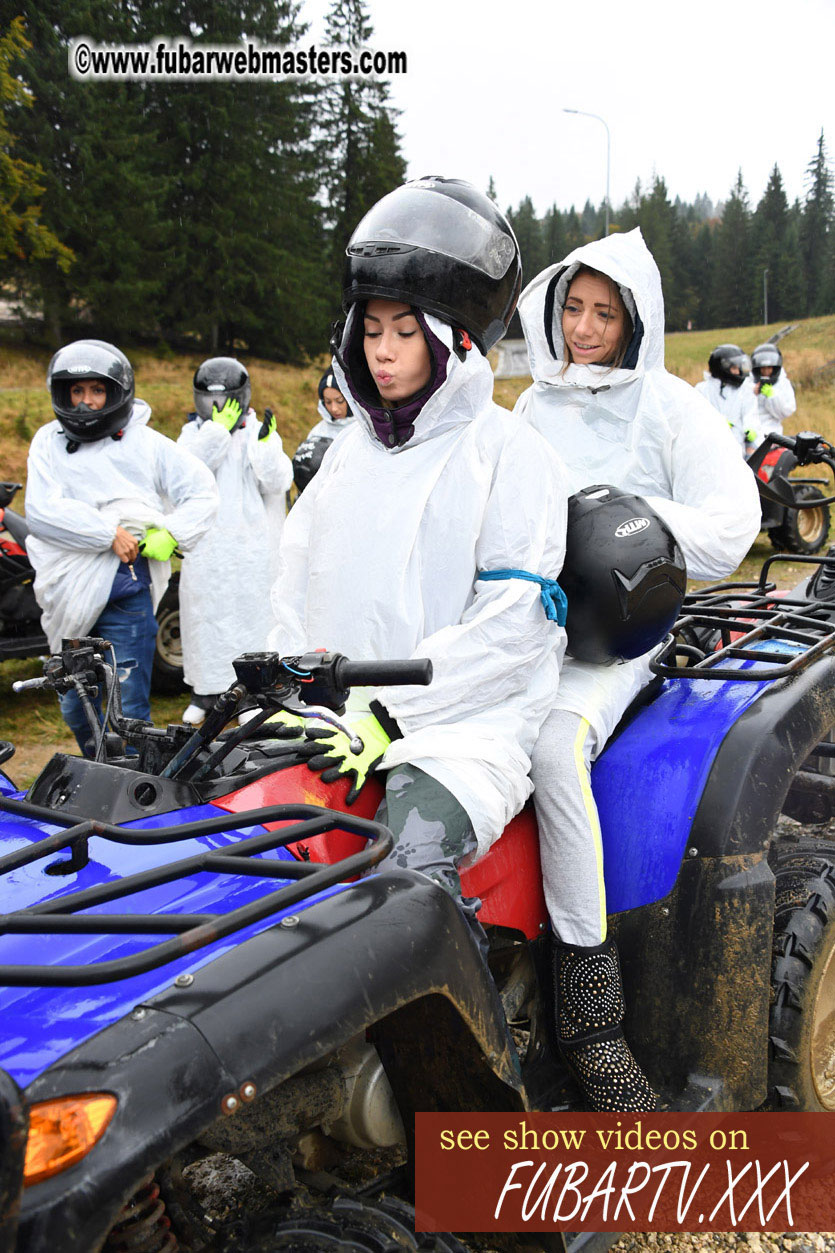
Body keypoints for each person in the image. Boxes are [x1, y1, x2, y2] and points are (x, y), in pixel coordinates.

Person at [268, 174, 568, 960]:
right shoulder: (345, 459)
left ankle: (469, 1066)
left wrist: (393, 719)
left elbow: (512, 632)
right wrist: (283, 685)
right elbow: (291, 581)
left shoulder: (508, 455)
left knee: (405, 879)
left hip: (462, 732)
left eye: (404, 331)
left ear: (453, 341)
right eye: (370, 331)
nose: (383, 352)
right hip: (340, 722)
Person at [515, 228, 761, 1111]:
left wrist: (623, 523)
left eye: (603, 312)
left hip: (620, 634)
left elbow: (730, 529)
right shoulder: (531, 408)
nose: (583, 328)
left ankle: (592, 1019)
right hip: (525, 624)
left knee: (552, 749)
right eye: (573, 308)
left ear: (633, 321)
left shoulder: (670, 409)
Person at [26, 339, 218, 753]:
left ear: (116, 392)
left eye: (96, 391)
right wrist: (107, 532)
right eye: (76, 392)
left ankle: (137, 800)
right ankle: (99, 774)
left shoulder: (144, 443)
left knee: (126, 711)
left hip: (125, 597)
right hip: (67, 598)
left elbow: (201, 491)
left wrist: (172, 532)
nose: (86, 403)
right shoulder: (48, 442)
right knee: (76, 707)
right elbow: (41, 512)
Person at [177, 357, 294, 726]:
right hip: (207, 549)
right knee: (204, 620)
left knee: (251, 620)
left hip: (251, 550)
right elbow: (184, 475)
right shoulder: (191, 435)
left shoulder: (259, 431)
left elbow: (277, 483)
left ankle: (252, 694)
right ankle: (207, 691)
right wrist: (216, 431)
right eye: (210, 402)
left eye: (224, 401)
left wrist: (265, 448)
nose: (216, 409)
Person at [292, 368, 355, 495]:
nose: (334, 408)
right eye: (328, 402)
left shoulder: (363, 428)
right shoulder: (318, 431)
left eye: (339, 401)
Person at [695, 343, 761, 454]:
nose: (738, 372)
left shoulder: (744, 390)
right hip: (708, 448)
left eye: (739, 368)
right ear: (722, 367)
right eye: (734, 368)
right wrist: (716, 423)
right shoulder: (702, 390)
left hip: (737, 448)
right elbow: (696, 417)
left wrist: (751, 429)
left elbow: (751, 414)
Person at [751, 342, 796, 440]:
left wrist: (772, 395)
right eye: (762, 368)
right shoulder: (748, 382)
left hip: (772, 433)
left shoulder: (783, 383)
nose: (766, 372)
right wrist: (752, 394)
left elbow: (786, 411)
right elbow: (741, 408)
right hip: (750, 433)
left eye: (769, 368)